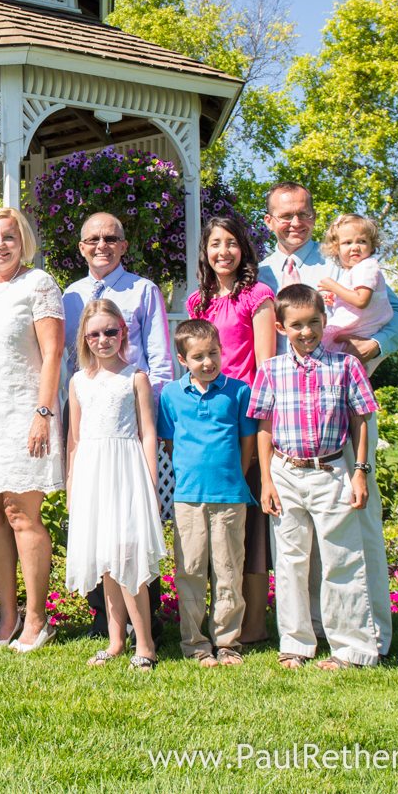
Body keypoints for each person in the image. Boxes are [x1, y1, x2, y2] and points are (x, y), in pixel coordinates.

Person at [259, 182, 398, 656]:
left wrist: (376, 345)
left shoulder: (341, 262)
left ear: (312, 217)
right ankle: (303, 635)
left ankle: (369, 637)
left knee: (355, 532)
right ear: (269, 221)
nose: (294, 222)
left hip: (341, 407)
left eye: (302, 213)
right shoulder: (259, 270)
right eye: (284, 215)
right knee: (295, 541)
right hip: (284, 418)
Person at [251, 284, 382, 670]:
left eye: (313, 324)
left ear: (324, 323)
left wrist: (359, 471)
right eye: (296, 325)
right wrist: (267, 481)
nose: (306, 332)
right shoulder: (272, 370)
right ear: (280, 327)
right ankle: (295, 644)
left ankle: (351, 649)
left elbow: (361, 419)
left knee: (341, 559)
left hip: (331, 471)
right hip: (286, 472)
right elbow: (263, 426)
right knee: (291, 561)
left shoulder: (345, 366)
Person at [60, 210, 173, 637]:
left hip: (131, 420)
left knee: (132, 526)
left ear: (123, 246)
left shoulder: (143, 291)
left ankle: (148, 621)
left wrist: (156, 425)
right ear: (81, 247)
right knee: (96, 521)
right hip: (91, 418)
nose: (101, 245)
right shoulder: (71, 295)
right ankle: (105, 621)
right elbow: (72, 357)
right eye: (92, 239)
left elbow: (160, 359)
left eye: (110, 238)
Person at [0, 207, 65, 652]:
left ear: (24, 243)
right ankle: (7, 617)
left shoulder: (39, 284)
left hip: (26, 414)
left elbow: (53, 353)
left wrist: (42, 413)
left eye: (10, 237)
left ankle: (37, 619)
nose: (1, 244)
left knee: (22, 514)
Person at [185, 215, 277, 645]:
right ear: (204, 252)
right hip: (207, 424)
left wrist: (257, 431)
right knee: (205, 536)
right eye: (214, 244)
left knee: (247, 530)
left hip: (244, 419)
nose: (223, 252)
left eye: (231, 243)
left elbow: (265, 366)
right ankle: (202, 626)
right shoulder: (197, 302)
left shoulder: (256, 297)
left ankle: (252, 626)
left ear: (244, 248)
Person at [65, 301, 166, 670]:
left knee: (127, 554)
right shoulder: (78, 381)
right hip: (92, 471)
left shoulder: (135, 377)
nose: (103, 339)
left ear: (123, 331)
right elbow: (75, 439)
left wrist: (152, 485)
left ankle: (146, 644)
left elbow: (148, 433)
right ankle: (114, 641)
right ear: (85, 338)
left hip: (126, 470)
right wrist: (73, 483)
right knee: (106, 559)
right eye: (94, 333)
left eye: (110, 331)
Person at [156, 319, 258, 667]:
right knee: (191, 571)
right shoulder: (170, 395)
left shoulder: (238, 391)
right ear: (183, 360)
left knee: (229, 572)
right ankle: (195, 643)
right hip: (187, 497)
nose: (208, 362)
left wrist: (235, 476)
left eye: (213, 353)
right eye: (198, 357)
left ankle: (227, 642)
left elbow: (247, 444)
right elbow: (169, 443)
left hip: (230, 497)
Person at [316, 213, 393, 361]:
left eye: (362, 241)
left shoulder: (366, 267)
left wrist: (333, 286)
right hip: (355, 331)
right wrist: (336, 298)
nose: (355, 247)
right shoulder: (354, 270)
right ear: (336, 248)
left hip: (358, 330)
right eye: (347, 243)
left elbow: (361, 301)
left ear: (372, 246)